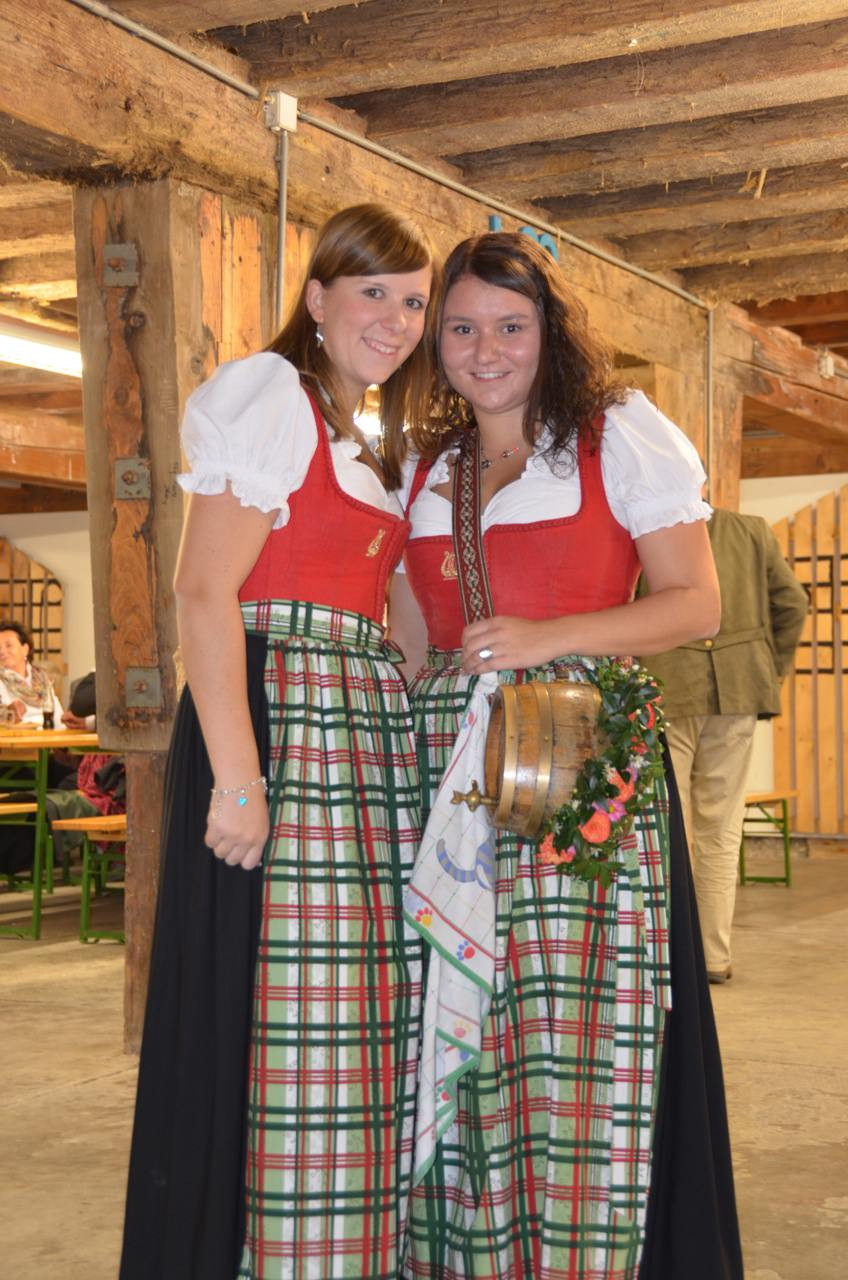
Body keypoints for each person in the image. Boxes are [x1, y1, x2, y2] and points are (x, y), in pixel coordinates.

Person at [389, 232, 742, 1279]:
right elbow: (412, 638)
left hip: (575, 759)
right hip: (445, 773)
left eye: (510, 325)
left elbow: (696, 604)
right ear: (435, 343)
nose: (485, 349)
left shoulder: (614, 434)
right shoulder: (423, 466)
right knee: (463, 1026)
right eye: (461, 328)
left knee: (568, 1029)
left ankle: (578, 1254)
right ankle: (471, 1254)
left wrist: (549, 636)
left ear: (549, 330)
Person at [120, 203, 436, 1280]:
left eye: (412, 301)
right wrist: (239, 781)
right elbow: (204, 593)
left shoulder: (365, 432)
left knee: (350, 1013)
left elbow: (387, 609)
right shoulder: (272, 396)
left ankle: (339, 1246)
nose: (395, 320)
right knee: (284, 1014)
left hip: (352, 738)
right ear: (316, 298)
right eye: (371, 292)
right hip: (283, 725)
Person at [639, 506, 808, 983]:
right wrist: (769, 670)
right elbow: (793, 603)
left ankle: (674, 956)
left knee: (670, 827)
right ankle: (714, 955)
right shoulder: (752, 530)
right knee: (722, 825)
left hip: (666, 684)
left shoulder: (648, 526)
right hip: (739, 688)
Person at [0, 619, 62, 726]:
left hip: (47, 734)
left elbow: (59, 718)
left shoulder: (42, 679)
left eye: (8, 645)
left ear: (25, 649)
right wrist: (7, 716)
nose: (2, 651)